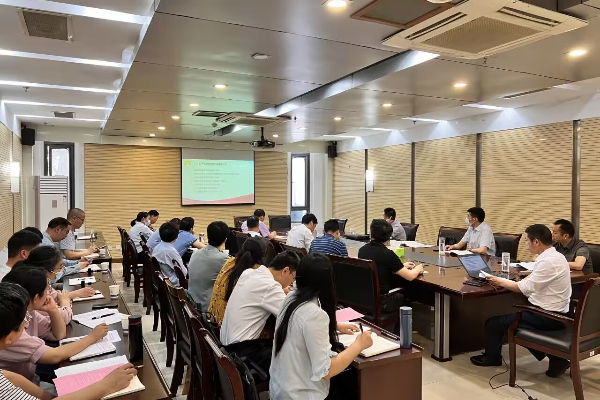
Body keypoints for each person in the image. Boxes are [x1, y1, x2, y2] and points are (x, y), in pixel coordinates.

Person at [0, 282, 136, 400]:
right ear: (9, 338)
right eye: (24, 319)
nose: (27, 321)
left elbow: (10, 378)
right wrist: (107, 385)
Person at [470, 224, 572, 377]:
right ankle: (557, 359)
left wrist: (498, 280)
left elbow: (523, 288)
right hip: (559, 311)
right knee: (513, 317)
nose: (526, 244)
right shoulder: (556, 256)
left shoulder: (547, 261)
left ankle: (492, 358)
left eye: (527, 240)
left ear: (536, 242)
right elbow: (537, 279)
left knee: (494, 323)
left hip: (548, 316)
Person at [270, 253, 373, 400]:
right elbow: (326, 370)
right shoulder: (315, 315)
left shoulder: (291, 298)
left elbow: (301, 324)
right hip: (300, 395)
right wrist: (359, 344)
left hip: (281, 389)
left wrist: (334, 325)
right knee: (354, 383)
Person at [0, 266, 108, 383]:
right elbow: (55, 356)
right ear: (35, 298)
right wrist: (92, 337)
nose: (49, 294)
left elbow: (58, 335)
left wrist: (53, 310)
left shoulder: (29, 313)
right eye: (47, 290)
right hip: (24, 385)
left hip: (31, 379)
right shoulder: (12, 330)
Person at [220, 251, 301, 373]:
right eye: (293, 278)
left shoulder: (249, 273)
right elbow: (294, 316)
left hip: (226, 345)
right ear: (285, 271)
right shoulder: (270, 287)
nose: (291, 283)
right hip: (240, 353)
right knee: (293, 354)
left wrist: (281, 290)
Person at [19, 246, 96, 323]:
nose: (62, 270)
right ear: (46, 270)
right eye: (60, 267)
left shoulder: (43, 280)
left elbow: (55, 295)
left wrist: (75, 294)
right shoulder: (35, 287)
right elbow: (63, 318)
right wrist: (65, 302)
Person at [208, 236, 267, 325]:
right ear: (263, 255)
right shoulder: (257, 271)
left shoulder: (230, 262)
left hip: (212, 320)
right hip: (226, 327)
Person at [358, 219, 423, 294]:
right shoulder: (388, 254)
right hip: (382, 298)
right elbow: (410, 276)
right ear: (388, 237)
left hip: (366, 295)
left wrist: (400, 266)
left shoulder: (362, 250)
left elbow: (380, 266)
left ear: (371, 234)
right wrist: (418, 268)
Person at [188, 221, 230, 311]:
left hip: (191, 303)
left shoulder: (195, 253)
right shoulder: (224, 259)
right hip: (207, 310)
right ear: (225, 240)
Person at [152, 222, 186, 287]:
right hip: (172, 283)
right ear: (176, 236)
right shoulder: (171, 251)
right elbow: (183, 273)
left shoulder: (157, 247)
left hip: (161, 279)